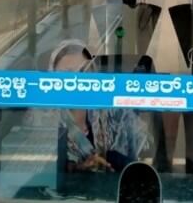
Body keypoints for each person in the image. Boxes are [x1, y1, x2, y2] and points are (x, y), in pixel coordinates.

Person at [49, 40, 151, 173]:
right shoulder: (43, 123)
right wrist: (78, 168)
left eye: (82, 71)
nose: (75, 80)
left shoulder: (111, 114)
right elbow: (42, 169)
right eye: (66, 74)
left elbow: (140, 153)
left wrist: (112, 160)